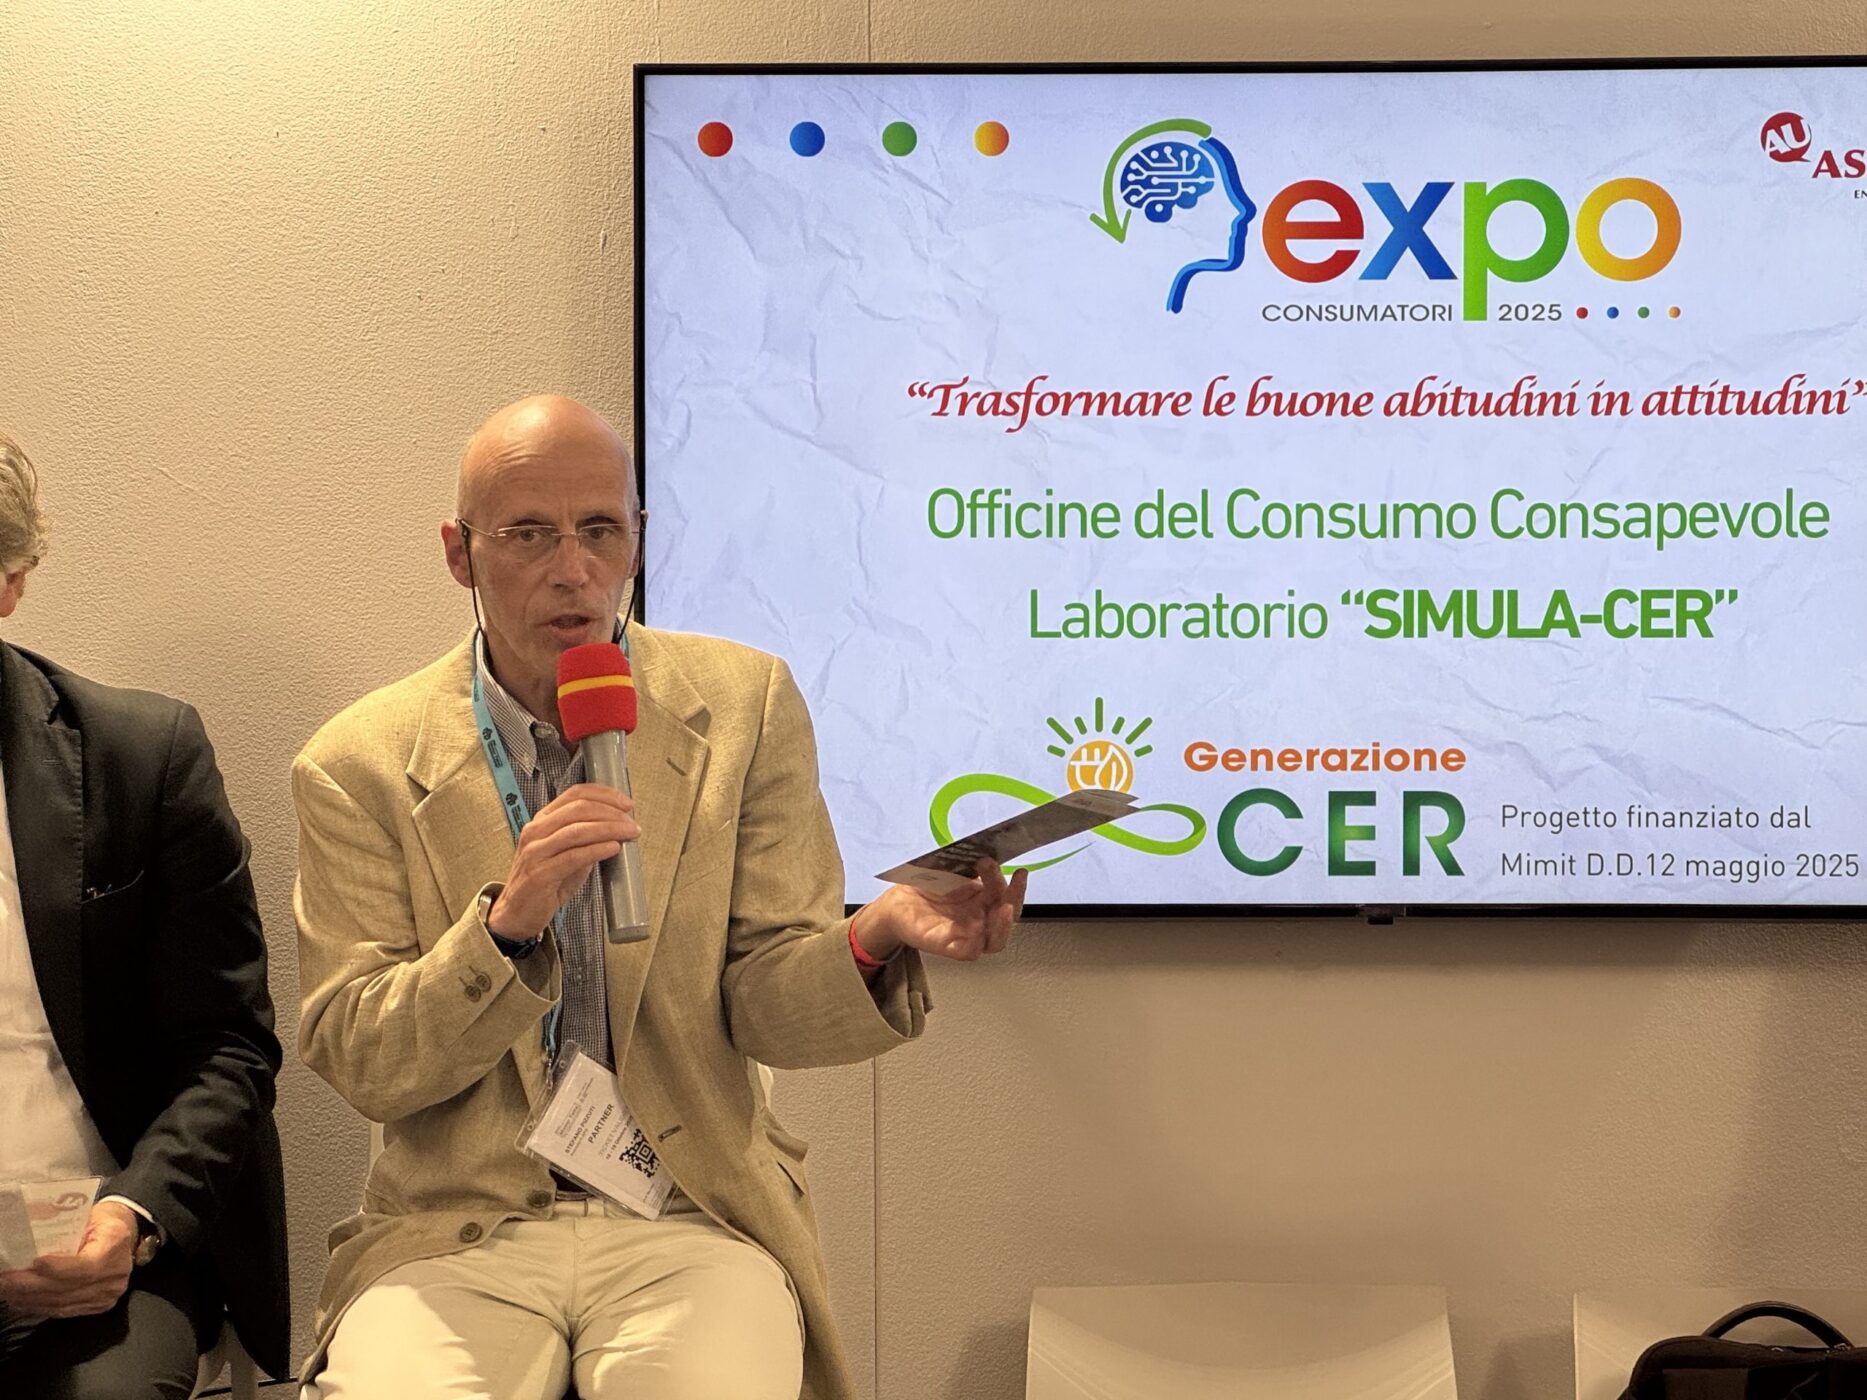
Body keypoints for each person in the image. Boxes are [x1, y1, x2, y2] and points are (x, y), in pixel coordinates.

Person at [293, 393, 1025, 1400]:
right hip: (459, 1223)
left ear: (638, 537)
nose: (573, 568)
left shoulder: (743, 706)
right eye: (529, 534)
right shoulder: (358, 762)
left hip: (689, 1209)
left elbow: (765, 1003)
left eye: (601, 529)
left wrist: (874, 934)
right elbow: (362, 1059)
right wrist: (505, 930)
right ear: (459, 554)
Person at [0, 432, 289, 1396]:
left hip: (96, 1257)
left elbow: (229, 1048)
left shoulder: (139, 756)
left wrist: (132, 1217)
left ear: (11, 580)